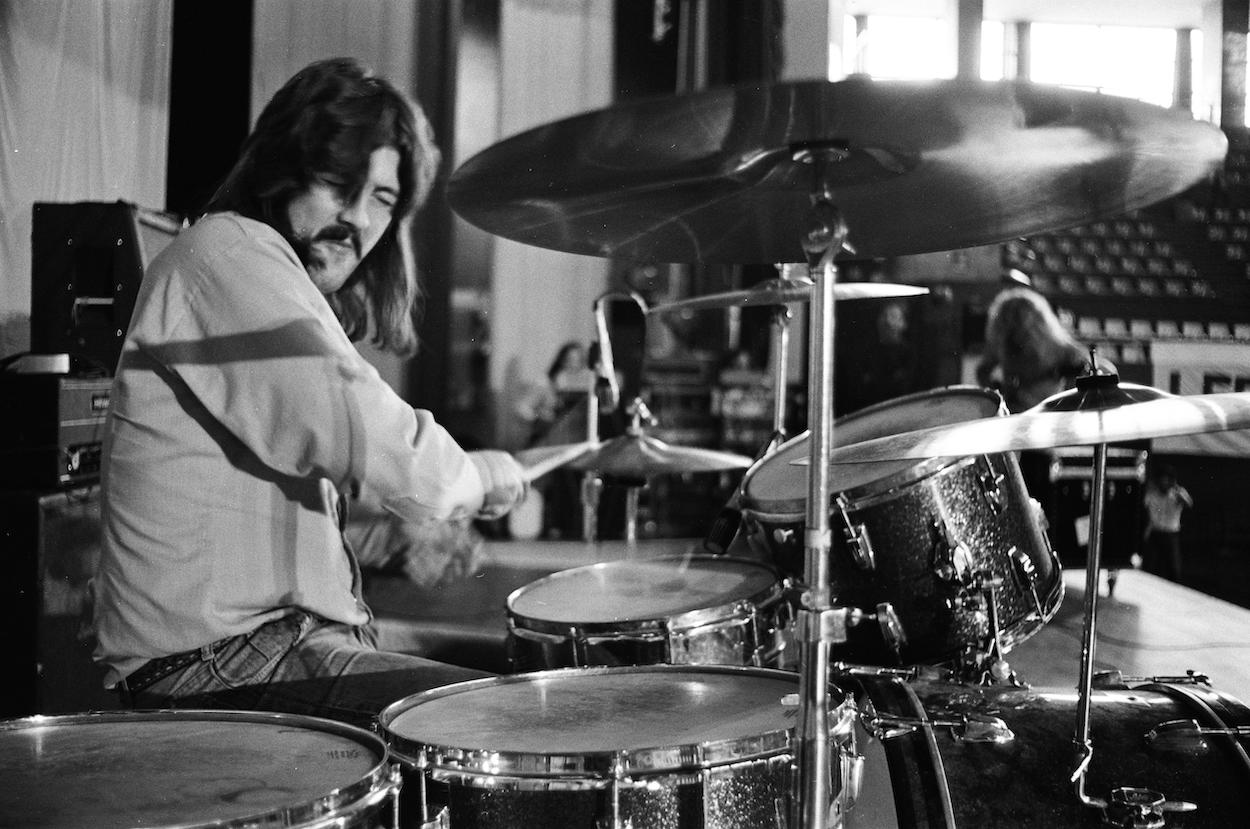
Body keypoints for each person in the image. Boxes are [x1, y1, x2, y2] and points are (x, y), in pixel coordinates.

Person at [88, 58, 528, 729]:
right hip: (216, 668)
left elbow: (259, 512)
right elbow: (384, 444)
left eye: (381, 198)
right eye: (337, 182)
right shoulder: (230, 255)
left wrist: (393, 537)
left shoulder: (246, 267)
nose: (356, 217)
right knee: (513, 720)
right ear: (278, 167)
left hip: (261, 647)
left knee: (531, 669)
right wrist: (478, 474)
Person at [1142, 464, 1193, 582]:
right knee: (1151, 566)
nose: (1164, 482)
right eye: (1162, 479)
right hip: (1155, 532)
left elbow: (1189, 503)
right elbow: (1144, 504)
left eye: (1166, 480)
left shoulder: (1176, 494)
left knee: (1173, 568)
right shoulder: (1152, 494)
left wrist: (1177, 490)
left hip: (1170, 534)